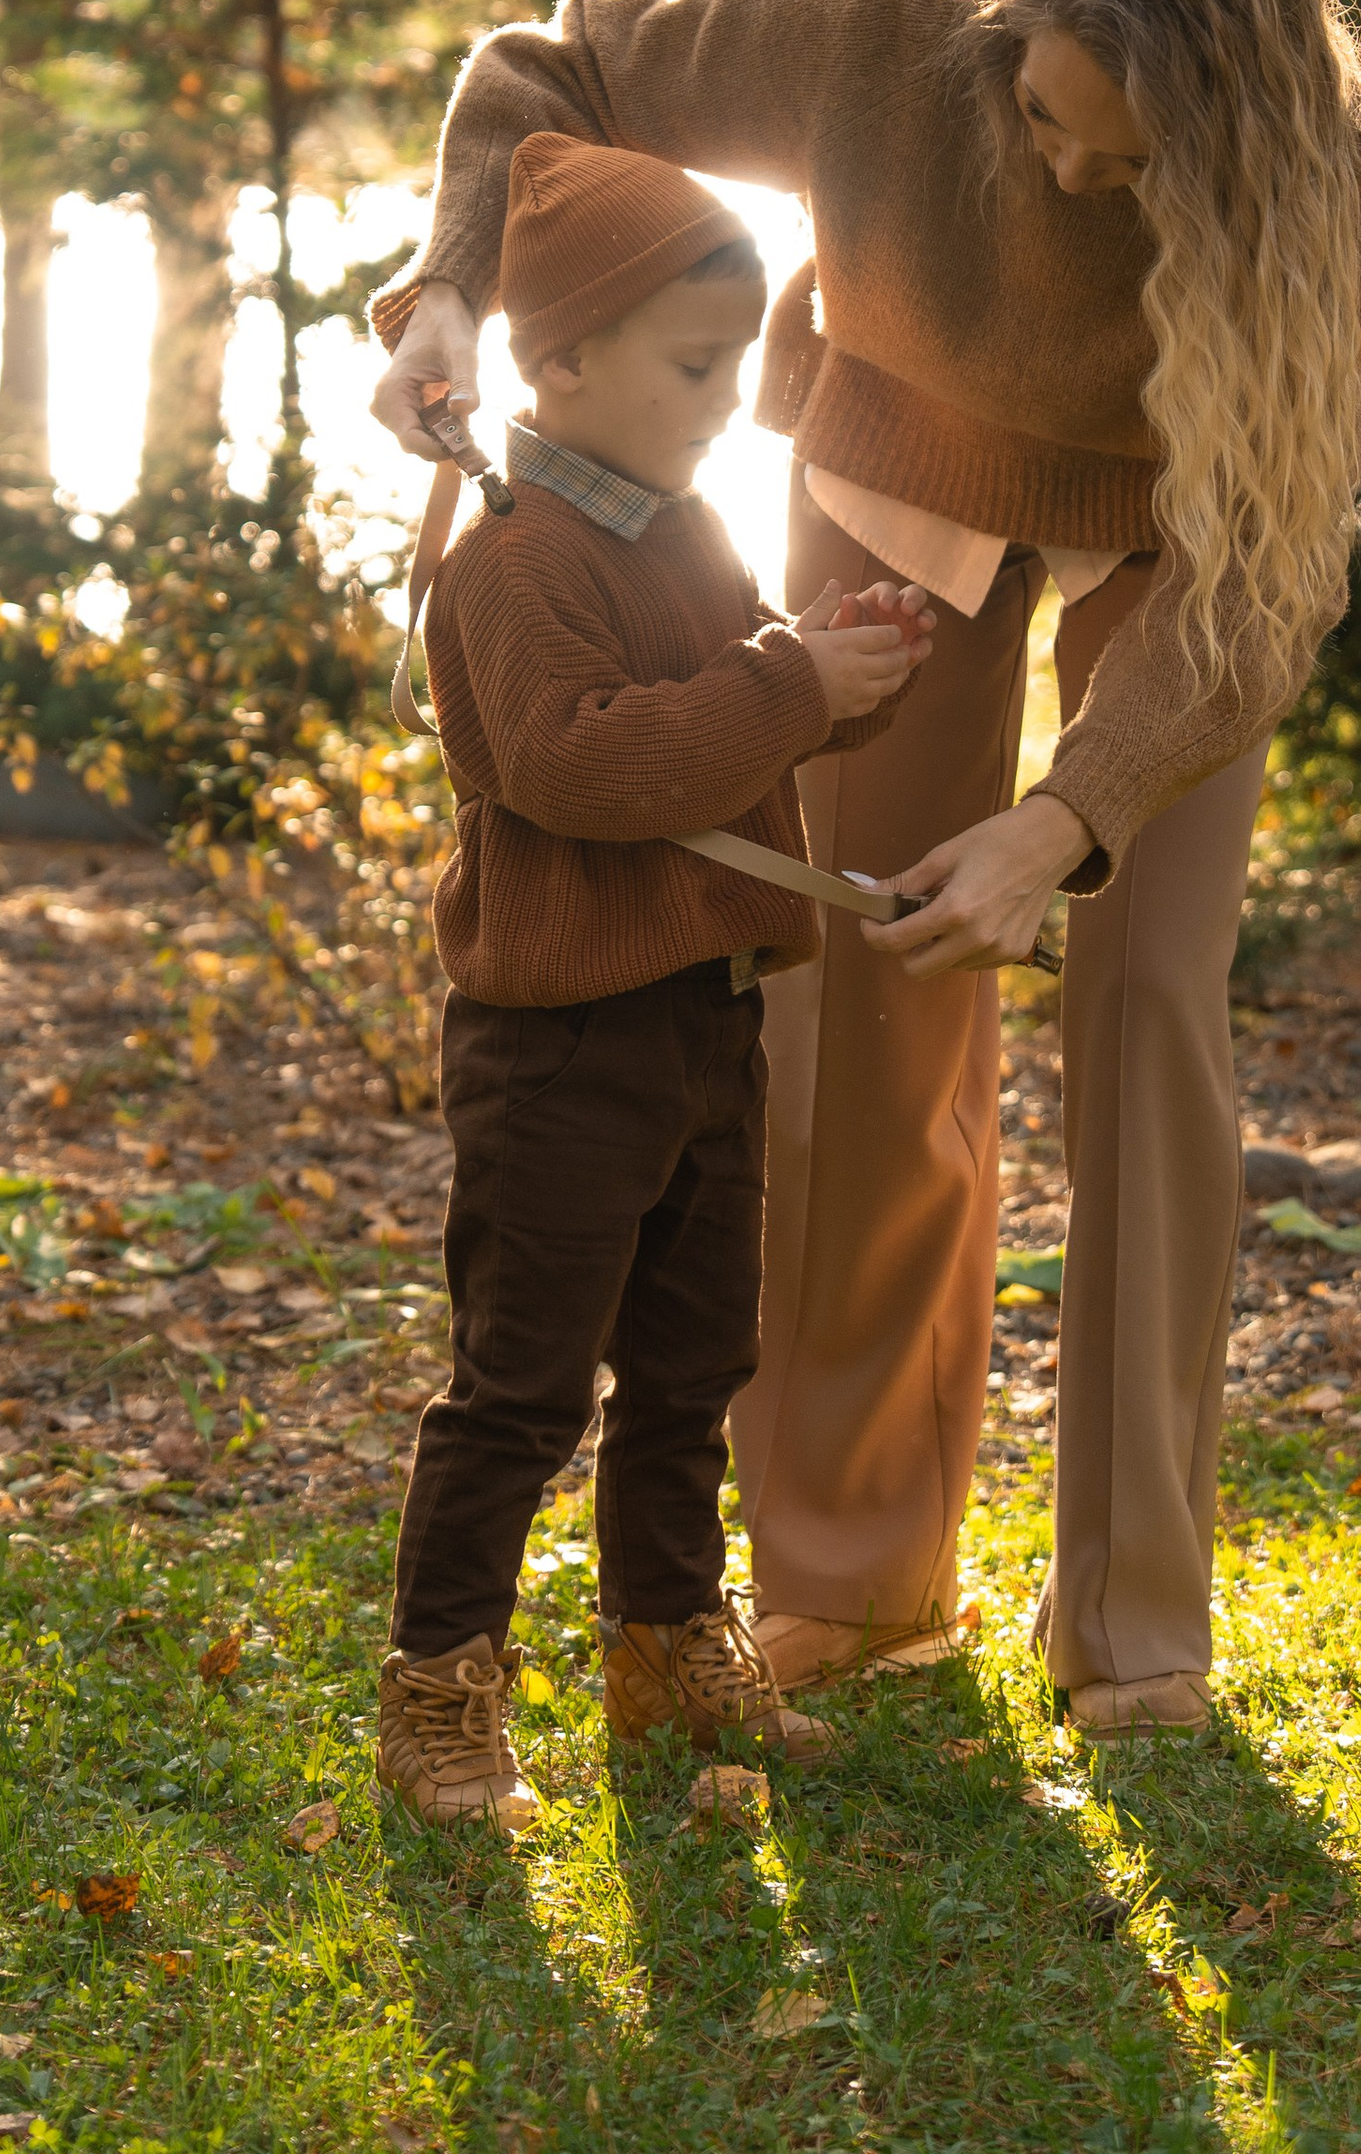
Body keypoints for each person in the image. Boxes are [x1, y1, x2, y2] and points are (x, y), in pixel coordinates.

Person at [373, 0, 1361, 1739]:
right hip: (890, 500)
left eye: (1131, 163)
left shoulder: (1318, 183)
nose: (1074, 176)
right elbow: (559, 65)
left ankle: (1133, 1620)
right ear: (1003, 32)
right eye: (1048, 121)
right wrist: (453, 286)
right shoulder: (889, 6)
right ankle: (851, 1586)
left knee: (1152, 1013)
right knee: (850, 1009)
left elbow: (1265, 568)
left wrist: (1069, 814)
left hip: (1176, 557)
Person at [377, 128, 935, 1829]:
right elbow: (588, 768)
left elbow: (732, 743)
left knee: (695, 1364)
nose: (727, 397)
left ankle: (668, 1641)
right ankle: (438, 1686)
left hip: (704, 1023)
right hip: (559, 1046)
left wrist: (851, 676)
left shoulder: (681, 531)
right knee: (524, 1380)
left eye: (741, 362)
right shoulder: (515, 560)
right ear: (558, 362)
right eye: (696, 364)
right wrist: (786, 687)